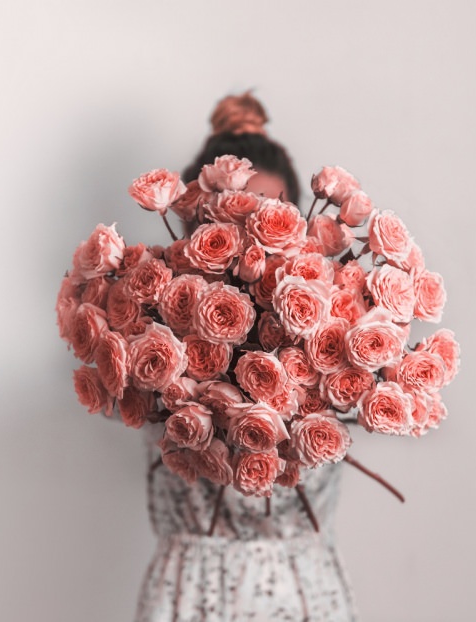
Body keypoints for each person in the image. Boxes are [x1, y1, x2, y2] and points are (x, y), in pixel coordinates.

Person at [134, 93, 359, 622]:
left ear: (300, 226)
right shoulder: (147, 337)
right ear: (196, 231)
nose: (251, 242)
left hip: (305, 592)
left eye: (270, 218)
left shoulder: (338, 340)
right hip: (190, 593)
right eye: (236, 222)